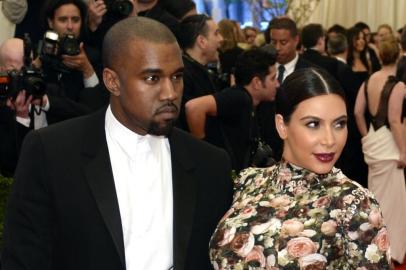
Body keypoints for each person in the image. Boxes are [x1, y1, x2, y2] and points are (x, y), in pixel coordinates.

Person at [2, 16, 233, 270]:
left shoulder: (210, 164)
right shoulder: (52, 152)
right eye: (152, 78)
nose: (170, 93)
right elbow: (24, 258)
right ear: (112, 81)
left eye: (176, 77)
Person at [209, 68, 391, 269]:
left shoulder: (355, 204)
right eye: (313, 124)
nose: (330, 140)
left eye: (339, 124)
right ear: (281, 126)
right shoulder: (248, 180)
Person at [354, 36, 406, 264]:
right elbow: (395, 121)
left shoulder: (368, 80)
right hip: (389, 147)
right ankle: (393, 251)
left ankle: (376, 247)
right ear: (399, 55)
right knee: (395, 203)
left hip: (374, 145)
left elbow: (357, 112)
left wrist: (367, 136)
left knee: (375, 199)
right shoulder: (398, 84)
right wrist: (404, 151)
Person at [185, 46, 279, 172]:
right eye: (273, 78)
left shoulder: (250, 101)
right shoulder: (239, 97)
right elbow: (194, 107)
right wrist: (202, 149)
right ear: (257, 83)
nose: (277, 84)